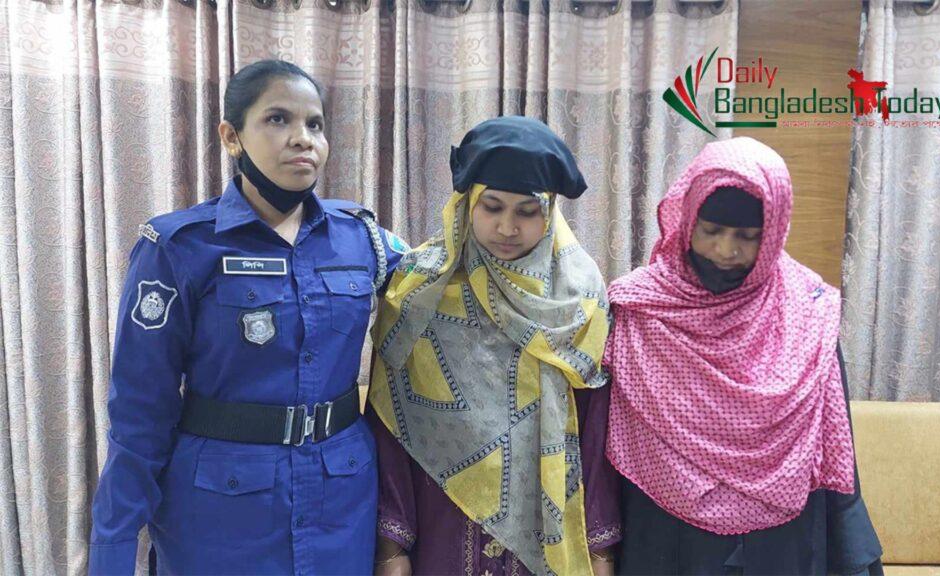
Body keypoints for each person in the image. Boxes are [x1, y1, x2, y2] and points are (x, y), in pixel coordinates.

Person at [88, 59, 405, 575]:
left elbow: (447, 285)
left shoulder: (361, 238)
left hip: (340, 500)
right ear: (231, 136)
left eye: (315, 124)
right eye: (278, 119)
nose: (302, 139)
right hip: (220, 511)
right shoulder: (180, 247)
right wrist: (112, 556)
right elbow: (139, 415)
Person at [604, 137, 884, 575]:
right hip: (665, 532)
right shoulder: (640, 309)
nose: (725, 251)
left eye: (748, 237)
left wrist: (851, 548)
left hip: (781, 541)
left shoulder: (806, 312)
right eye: (711, 231)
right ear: (687, 221)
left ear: (772, 233)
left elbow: (833, 441)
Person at [367, 116, 620, 576]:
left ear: (550, 212)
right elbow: (390, 423)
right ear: (468, 203)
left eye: (527, 211)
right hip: (441, 521)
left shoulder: (579, 301)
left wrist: (600, 548)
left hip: (545, 528)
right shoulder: (419, 292)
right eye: (493, 207)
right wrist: (391, 546)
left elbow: (594, 428)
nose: (507, 227)